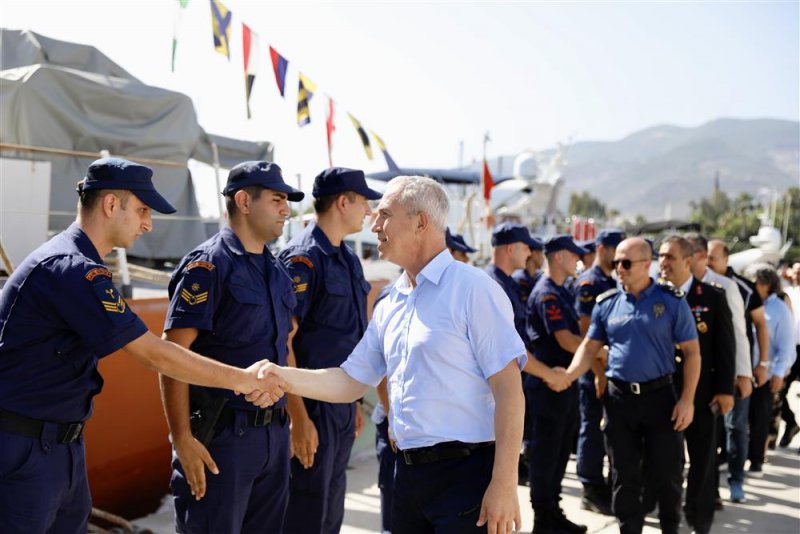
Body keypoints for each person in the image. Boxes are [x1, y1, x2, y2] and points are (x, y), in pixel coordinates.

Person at [0, 157, 285, 533]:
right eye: (142, 210)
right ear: (110, 205)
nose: (148, 223)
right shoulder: (69, 268)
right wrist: (245, 380)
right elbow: (153, 353)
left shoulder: (82, 266)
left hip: (61, 447)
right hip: (24, 450)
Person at [255, 175, 527, 534]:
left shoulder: (473, 290)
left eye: (384, 214)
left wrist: (505, 484)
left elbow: (509, 390)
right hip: (405, 478)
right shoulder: (392, 302)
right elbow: (351, 381)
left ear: (420, 222)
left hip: (466, 479)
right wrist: (281, 375)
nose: (374, 223)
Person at [160, 160, 303, 533]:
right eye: (276, 199)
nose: (286, 209)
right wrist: (182, 440)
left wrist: (285, 426)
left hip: (271, 436)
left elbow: (283, 350)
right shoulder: (208, 266)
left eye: (287, 200)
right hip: (222, 441)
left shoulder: (277, 272)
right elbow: (172, 355)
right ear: (243, 200)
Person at [564, 238, 701, 534]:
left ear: (646, 264)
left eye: (626, 263)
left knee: (667, 474)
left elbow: (692, 353)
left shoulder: (671, 301)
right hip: (620, 400)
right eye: (616, 263)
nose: (619, 269)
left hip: (661, 399)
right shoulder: (607, 303)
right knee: (623, 475)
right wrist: (567, 376)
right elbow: (589, 348)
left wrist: (687, 400)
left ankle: (669, 528)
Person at [278, 167, 382, 534]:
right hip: (311, 407)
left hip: (339, 407)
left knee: (330, 510)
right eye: (364, 202)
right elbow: (283, 342)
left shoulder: (348, 259)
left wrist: (352, 402)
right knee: (306, 511)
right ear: (343, 202)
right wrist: (298, 418)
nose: (368, 211)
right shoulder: (303, 258)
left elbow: (347, 340)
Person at [658, 236, 735, 534]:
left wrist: (726, 389)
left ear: (688, 261)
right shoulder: (656, 295)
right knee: (666, 462)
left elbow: (725, 347)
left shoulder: (712, 296)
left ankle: (699, 520)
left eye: (670, 257)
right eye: (660, 257)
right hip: (664, 394)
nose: (663, 263)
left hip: (702, 395)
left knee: (702, 461)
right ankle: (670, 515)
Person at [524, 235, 589, 534]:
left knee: (561, 452)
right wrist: (597, 350)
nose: (578, 260)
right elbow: (565, 339)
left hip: (562, 382)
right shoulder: (547, 293)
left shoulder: (561, 290)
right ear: (560, 257)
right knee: (546, 455)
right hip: (548, 385)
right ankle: (543, 517)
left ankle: (552, 511)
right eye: (574, 255)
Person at [706, 238, 769, 502]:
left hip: (737, 370)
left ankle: (736, 482)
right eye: (705, 257)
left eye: (713, 257)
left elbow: (760, 326)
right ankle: (708, 489)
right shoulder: (699, 285)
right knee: (708, 431)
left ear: (726, 259)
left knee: (737, 427)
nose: (708, 262)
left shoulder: (743, 288)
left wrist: (761, 364)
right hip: (709, 371)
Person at [574, 229, 625, 516]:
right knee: (592, 428)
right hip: (594, 371)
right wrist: (598, 372)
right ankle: (590, 487)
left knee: (605, 429)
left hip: (610, 369)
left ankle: (603, 483)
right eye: (615, 249)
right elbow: (586, 333)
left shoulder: (611, 281)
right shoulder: (590, 283)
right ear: (602, 248)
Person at [748, 266, 797, 473]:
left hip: (765, 374)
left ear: (766, 285)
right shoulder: (748, 303)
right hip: (744, 371)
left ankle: (756, 459)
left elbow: (786, 345)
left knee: (760, 418)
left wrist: (778, 372)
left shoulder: (778, 309)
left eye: (755, 282)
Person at [486, 222, 538, 341]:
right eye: (526, 248)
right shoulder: (494, 286)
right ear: (510, 249)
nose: (529, 253)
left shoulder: (506, 282)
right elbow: (502, 346)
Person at [778, 263, 800, 448]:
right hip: (790, 349)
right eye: (797, 270)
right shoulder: (787, 293)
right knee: (779, 391)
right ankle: (791, 423)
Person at [512, 237, 545, 305]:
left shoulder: (539, 277)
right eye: (541, 253)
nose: (543, 258)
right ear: (534, 254)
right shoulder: (518, 280)